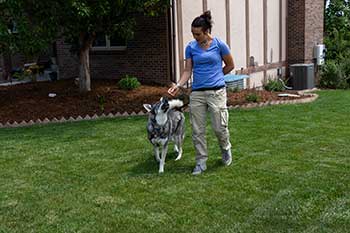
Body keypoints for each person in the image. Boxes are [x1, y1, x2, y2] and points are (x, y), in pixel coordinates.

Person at [168, 10, 235, 175]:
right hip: (197, 93)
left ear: (206, 32)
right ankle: (200, 162)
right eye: (193, 33)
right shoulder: (191, 47)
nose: (194, 37)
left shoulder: (219, 44)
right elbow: (187, 70)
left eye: (197, 34)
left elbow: (230, 65)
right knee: (197, 130)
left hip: (216, 92)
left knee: (219, 128)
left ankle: (225, 148)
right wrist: (178, 85)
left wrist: (217, 76)